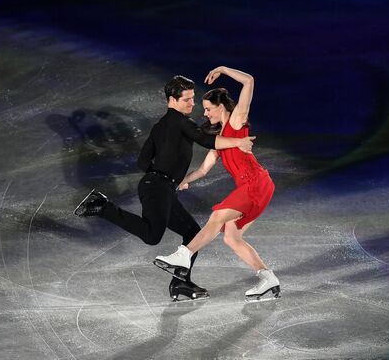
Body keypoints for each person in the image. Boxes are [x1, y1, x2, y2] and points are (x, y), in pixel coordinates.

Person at [74, 75, 255, 301]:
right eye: (187, 99)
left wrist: (163, 173)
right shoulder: (181, 122)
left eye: (192, 98)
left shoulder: (162, 125)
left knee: (192, 234)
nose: (192, 104)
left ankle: (180, 285)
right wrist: (238, 141)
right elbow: (207, 141)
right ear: (173, 99)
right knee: (152, 235)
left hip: (160, 187)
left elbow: (142, 161)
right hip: (158, 188)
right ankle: (102, 206)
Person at [154, 66, 281, 302]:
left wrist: (222, 69)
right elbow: (202, 171)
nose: (206, 114)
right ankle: (268, 278)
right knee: (231, 237)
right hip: (256, 187)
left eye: (209, 109)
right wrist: (182, 181)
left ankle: (184, 254)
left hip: (255, 183)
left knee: (216, 217)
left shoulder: (237, 120)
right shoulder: (220, 142)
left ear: (221, 107)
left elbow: (250, 81)